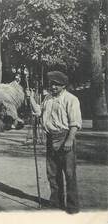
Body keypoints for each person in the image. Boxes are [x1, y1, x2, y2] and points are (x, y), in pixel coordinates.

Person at [26, 71, 82, 214]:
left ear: (63, 86)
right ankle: (56, 202)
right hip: (51, 138)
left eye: (56, 85)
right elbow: (38, 112)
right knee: (52, 173)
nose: (53, 87)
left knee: (69, 174)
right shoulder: (48, 98)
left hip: (65, 138)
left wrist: (69, 140)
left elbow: (74, 123)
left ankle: (72, 206)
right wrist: (31, 98)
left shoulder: (71, 99)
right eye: (51, 84)